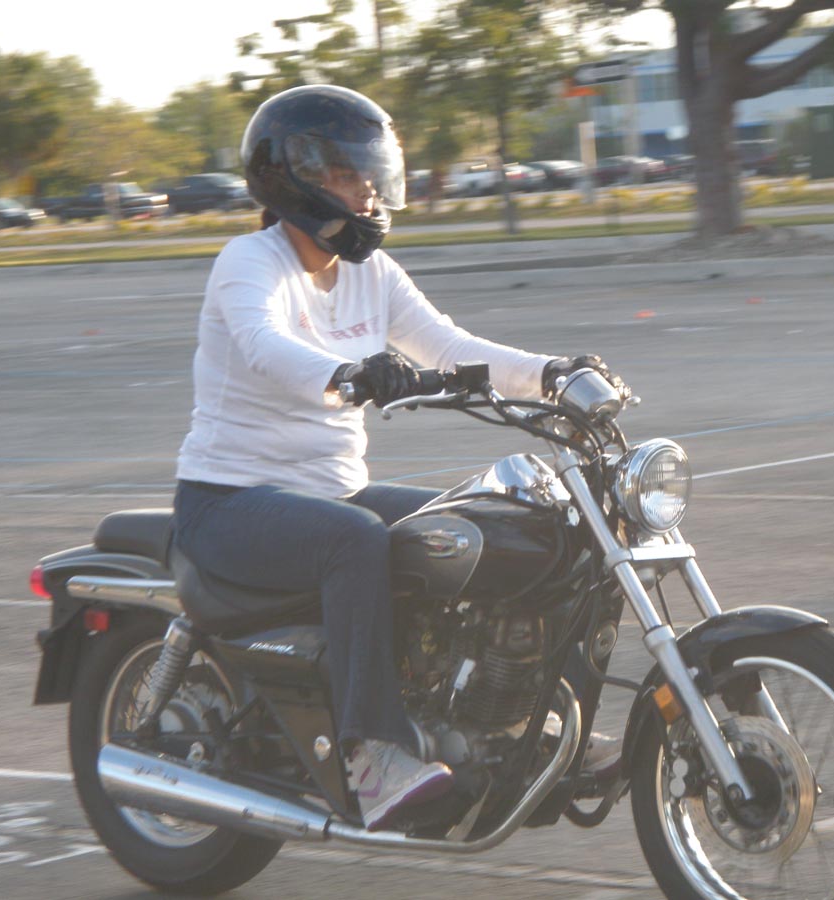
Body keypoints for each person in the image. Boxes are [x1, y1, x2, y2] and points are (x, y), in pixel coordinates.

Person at [173, 84, 620, 832]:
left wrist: (552, 374)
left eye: (372, 174)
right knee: (355, 541)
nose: (369, 191)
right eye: (351, 175)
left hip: (333, 492)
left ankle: (527, 727)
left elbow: (449, 345)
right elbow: (264, 344)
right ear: (300, 179)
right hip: (228, 502)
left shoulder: (370, 272)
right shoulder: (250, 261)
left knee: (501, 528)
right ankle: (372, 757)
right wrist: (348, 374)